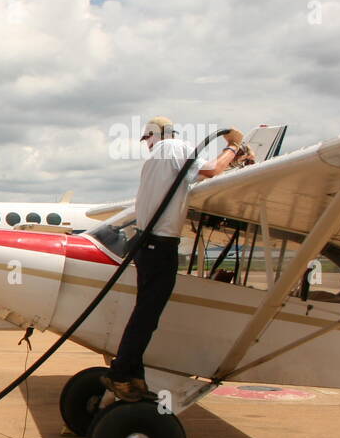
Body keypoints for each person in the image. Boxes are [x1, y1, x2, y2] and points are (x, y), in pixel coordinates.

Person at [104, 117, 249, 402]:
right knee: (147, 315)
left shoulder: (163, 153)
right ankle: (122, 372)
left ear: (155, 135)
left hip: (147, 245)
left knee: (144, 313)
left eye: (146, 139)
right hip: (161, 245)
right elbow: (214, 170)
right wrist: (235, 147)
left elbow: (200, 174)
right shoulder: (175, 149)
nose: (146, 145)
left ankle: (133, 375)